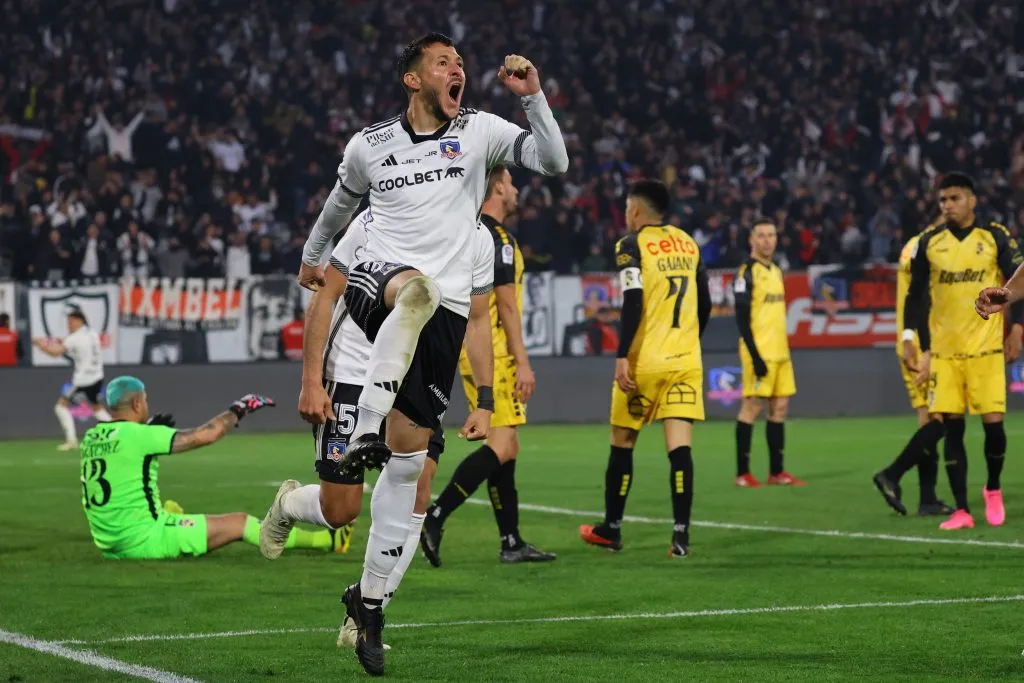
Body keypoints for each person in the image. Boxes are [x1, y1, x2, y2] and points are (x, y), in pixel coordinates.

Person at [290, 33, 566, 675]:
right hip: (376, 286)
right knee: (410, 292)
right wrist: (311, 257)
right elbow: (337, 208)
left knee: (411, 468)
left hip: (435, 325)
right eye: (444, 62)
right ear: (413, 78)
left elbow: (553, 162)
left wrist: (534, 99)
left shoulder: (480, 131)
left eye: (461, 63)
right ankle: (362, 432)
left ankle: (369, 603)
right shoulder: (372, 145)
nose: (458, 69)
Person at [263, 207, 497, 671]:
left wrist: (485, 399)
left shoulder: (479, 238)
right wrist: (311, 380)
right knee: (341, 510)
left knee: (418, 490)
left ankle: (367, 611)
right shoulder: (378, 218)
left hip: (419, 373)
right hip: (352, 369)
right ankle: (289, 504)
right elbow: (326, 295)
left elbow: (476, 320)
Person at [421, 166, 555, 566]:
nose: (515, 191)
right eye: (511, 183)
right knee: (502, 443)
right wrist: (523, 363)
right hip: (493, 353)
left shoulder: (467, 232)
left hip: (469, 347)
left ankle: (511, 540)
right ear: (497, 186)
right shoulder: (498, 238)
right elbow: (507, 304)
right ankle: (436, 515)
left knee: (508, 449)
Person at [875, 172, 1022, 530]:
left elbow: (1016, 280)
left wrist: (1017, 328)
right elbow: (915, 295)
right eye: (943, 200)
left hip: (986, 349)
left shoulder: (995, 236)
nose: (947, 205)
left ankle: (993, 487)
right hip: (944, 353)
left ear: (972, 200)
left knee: (994, 431)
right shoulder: (929, 242)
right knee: (951, 431)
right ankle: (961, 510)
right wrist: (911, 337)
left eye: (954, 198)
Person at [579, 179, 710, 558]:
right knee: (680, 448)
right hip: (686, 361)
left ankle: (612, 529)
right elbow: (703, 304)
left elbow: (633, 299)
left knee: (623, 443)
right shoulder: (688, 243)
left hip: (645, 362)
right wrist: (688, 340)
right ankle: (681, 537)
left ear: (635, 210)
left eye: (625, 208)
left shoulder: (631, 244)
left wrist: (622, 355)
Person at [79, 376, 347, 559]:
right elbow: (204, 435)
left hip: (108, 543)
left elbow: (123, 455)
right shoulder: (139, 436)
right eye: (145, 400)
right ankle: (327, 541)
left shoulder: (91, 437)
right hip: (142, 540)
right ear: (138, 403)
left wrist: (148, 429)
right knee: (240, 523)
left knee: (170, 507)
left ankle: (161, 522)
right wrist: (241, 408)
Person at [870, 231, 952, 516]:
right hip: (924, 344)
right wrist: (925, 347)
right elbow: (920, 297)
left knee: (928, 421)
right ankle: (891, 474)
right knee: (942, 420)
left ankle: (927, 499)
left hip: (914, 342)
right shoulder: (931, 247)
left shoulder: (912, 246)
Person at [732, 220, 805, 487]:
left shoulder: (776, 270)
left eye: (771, 235)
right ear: (752, 240)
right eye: (761, 236)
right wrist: (755, 355)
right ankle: (743, 473)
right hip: (759, 352)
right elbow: (741, 319)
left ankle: (777, 472)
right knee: (752, 407)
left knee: (780, 408)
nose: (766, 240)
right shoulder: (746, 273)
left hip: (781, 351)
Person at [32, 306, 112, 450]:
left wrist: (41, 345)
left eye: (70, 322)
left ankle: (71, 440)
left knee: (60, 406)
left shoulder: (74, 338)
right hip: (97, 376)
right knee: (97, 409)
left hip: (82, 380)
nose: (68, 325)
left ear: (78, 321)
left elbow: (56, 353)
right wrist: (56, 340)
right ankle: (119, 433)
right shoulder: (91, 333)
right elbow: (69, 342)